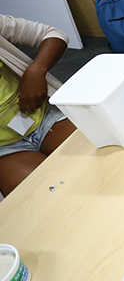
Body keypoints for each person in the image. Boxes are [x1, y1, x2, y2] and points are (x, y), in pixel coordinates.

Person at [0, 14, 76, 196]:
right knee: (48, 195)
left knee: (104, 153)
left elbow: (53, 34)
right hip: (5, 149)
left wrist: (36, 70)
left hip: (43, 116)